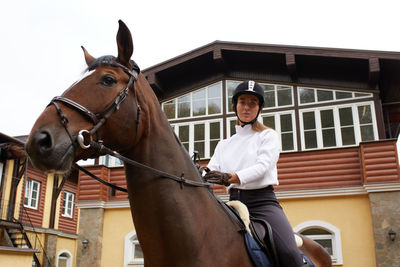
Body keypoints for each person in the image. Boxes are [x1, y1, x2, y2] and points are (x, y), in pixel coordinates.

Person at [203, 80, 303, 266]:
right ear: (235, 106)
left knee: (289, 253)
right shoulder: (224, 144)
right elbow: (209, 172)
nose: (246, 107)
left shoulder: (268, 136)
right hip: (231, 204)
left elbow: (262, 167)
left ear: (260, 109)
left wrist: (230, 178)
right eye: (242, 102)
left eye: (252, 103)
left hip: (262, 204)